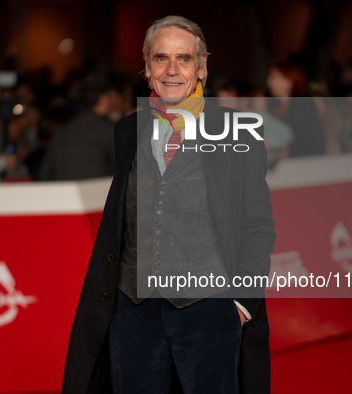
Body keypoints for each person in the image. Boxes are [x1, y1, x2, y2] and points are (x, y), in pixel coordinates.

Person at [62, 16, 276, 394]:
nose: (172, 70)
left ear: (202, 67)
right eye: (161, 58)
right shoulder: (128, 130)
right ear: (146, 67)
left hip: (209, 308)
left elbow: (257, 226)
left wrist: (241, 304)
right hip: (132, 309)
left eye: (184, 58)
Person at [35, 72, 116, 181]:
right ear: (103, 100)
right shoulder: (110, 132)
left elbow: (44, 174)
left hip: (63, 194)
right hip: (98, 195)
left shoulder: (62, 132)